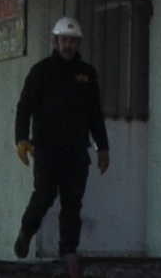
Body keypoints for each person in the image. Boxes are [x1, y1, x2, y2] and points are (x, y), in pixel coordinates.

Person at [11, 16, 111, 258]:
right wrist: (22, 139)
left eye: (72, 41)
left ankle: (68, 252)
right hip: (46, 148)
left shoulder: (87, 74)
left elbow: (95, 113)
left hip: (76, 150)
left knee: (72, 203)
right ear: (55, 42)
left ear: (78, 43)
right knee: (44, 196)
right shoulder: (41, 72)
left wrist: (103, 148)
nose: (68, 45)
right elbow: (24, 108)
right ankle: (26, 232)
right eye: (64, 40)